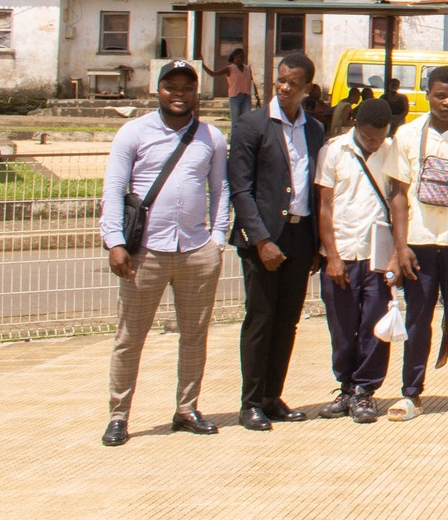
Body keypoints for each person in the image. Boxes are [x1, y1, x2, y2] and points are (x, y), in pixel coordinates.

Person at [98, 60, 229, 446]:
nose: (179, 94)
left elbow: (219, 192)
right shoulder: (133, 133)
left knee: (194, 335)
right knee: (129, 337)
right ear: (158, 90)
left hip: (195, 250)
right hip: (144, 253)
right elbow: (113, 189)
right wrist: (115, 243)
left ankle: (186, 409)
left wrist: (217, 239)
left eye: (187, 88)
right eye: (171, 87)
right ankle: (119, 415)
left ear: (196, 93)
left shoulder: (211, 137)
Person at [385, 65, 448, 421]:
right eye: (440, 95)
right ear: (427, 94)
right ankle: (411, 394)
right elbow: (398, 194)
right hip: (419, 243)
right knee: (418, 318)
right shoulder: (407, 135)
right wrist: (400, 247)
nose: (447, 103)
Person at [229, 50, 326, 431]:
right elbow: (241, 188)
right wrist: (261, 240)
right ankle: (250, 401)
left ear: (307, 88)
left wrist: (317, 242)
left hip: (301, 236)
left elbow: (316, 189)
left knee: (288, 321)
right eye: (280, 80)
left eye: (293, 83)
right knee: (260, 319)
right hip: (264, 238)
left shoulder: (315, 129)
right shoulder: (252, 125)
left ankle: (273, 397)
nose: (284, 87)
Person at [314, 97, 398, 424]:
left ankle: (365, 390)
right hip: (342, 254)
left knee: (374, 326)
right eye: (368, 138)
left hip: (377, 256)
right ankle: (346, 387)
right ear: (356, 128)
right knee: (341, 326)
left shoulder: (391, 151)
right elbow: (324, 207)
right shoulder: (334, 151)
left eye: (380, 138)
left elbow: (398, 201)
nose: (375, 144)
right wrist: (332, 256)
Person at [224, 48, 253, 125]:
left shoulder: (247, 68)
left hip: (246, 97)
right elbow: (213, 74)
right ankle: (235, 137)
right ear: (235, 57)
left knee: (247, 120)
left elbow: (251, 81)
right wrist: (203, 65)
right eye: (241, 56)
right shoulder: (229, 69)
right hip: (235, 97)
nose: (243, 58)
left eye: (243, 56)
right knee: (235, 122)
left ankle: (245, 136)